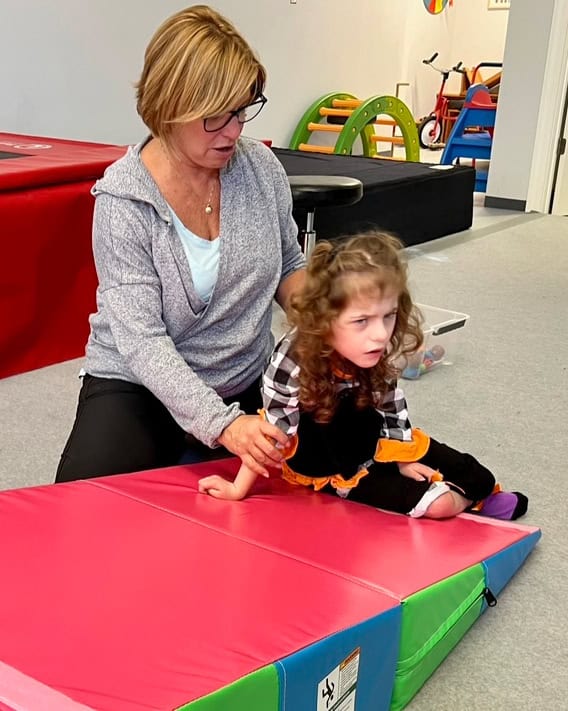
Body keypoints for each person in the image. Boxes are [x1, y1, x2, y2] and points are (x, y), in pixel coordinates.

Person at [55, 5, 305, 483]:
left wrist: (327, 316)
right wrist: (223, 425)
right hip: (140, 383)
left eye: (241, 110)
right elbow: (143, 342)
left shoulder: (261, 168)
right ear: (172, 107)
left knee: (349, 462)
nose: (234, 130)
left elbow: (290, 264)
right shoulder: (123, 199)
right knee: (81, 517)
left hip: (246, 376)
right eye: (216, 117)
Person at [198, 231, 528, 522]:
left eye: (389, 316)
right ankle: (462, 499)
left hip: (374, 439)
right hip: (335, 466)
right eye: (362, 321)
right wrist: (237, 489)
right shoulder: (291, 362)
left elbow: (390, 403)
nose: (380, 334)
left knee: (470, 471)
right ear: (325, 320)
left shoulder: (371, 346)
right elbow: (272, 433)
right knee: (439, 505)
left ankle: (482, 493)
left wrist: (401, 456)